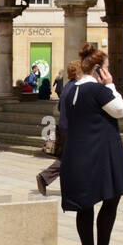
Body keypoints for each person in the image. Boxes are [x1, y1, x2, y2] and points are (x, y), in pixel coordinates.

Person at [59, 45, 123, 245]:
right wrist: (111, 85)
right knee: (110, 199)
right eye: (107, 68)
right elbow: (120, 110)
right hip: (101, 153)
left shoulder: (71, 89)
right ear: (98, 69)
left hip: (78, 152)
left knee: (85, 204)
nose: (109, 72)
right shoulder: (98, 89)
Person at [37, 60, 82, 196]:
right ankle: (45, 177)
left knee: (69, 158)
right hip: (71, 129)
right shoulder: (76, 88)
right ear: (78, 73)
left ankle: (70, 185)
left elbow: (59, 107)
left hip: (64, 127)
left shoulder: (68, 86)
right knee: (73, 157)